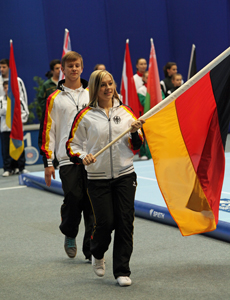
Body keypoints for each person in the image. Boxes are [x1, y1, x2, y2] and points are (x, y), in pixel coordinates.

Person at [66, 70, 144, 287]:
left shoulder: (127, 112)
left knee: (125, 223)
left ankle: (122, 270)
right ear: (94, 89)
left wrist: (136, 133)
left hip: (125, 176)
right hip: (97, 179)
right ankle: (97, 253)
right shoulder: (85, 116)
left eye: (110, 83)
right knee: (105, 223)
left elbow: (136, 146)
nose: (108, 88)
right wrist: (83, 157)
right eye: (102, 85)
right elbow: (72, 146)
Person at [39, 51, 93, 261]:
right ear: (63, 69)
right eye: (70, 66)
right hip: (67, 157)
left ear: (82, 67)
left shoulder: (92, 94)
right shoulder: (54, 98)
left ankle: (91, 249)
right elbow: (48, 131)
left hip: (92, 157)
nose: (74, 69)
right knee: (73, 198)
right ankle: (70, 232)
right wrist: (47, 161)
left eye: (77, 65)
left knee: (92, 203)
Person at [0, 58, 29, 175]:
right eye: (0, 67)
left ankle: (20, 167)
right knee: (6, 148)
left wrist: (20, 120)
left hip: (16, 123)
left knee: (17, 145)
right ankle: (8, 168)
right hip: (4, 124)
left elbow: (23, 101)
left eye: (4, 67)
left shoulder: (18, 80)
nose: (1, 69)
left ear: (9, 67)